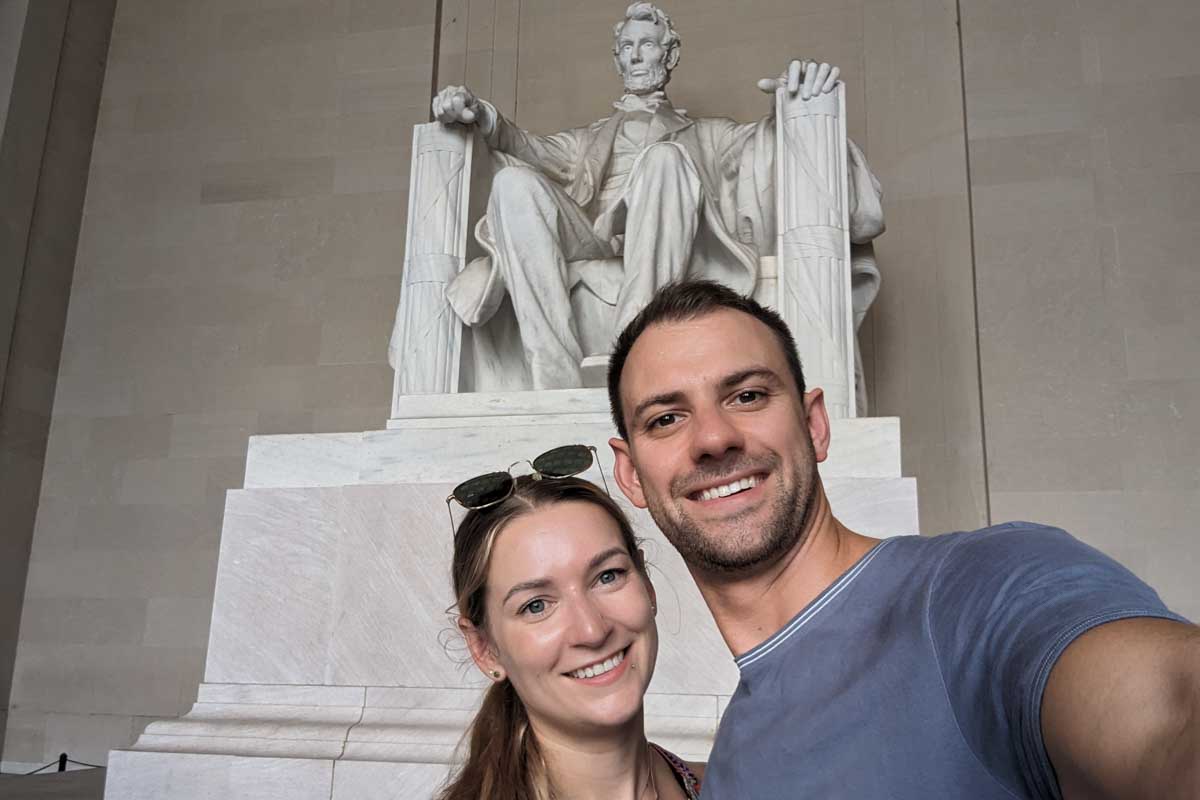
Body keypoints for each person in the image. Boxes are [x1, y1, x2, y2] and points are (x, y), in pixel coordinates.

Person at [605, 280, 1200, 799]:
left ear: (814, 426)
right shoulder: (732, 764)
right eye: (666, 418)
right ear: (632, 475)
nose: (713, 437)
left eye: (748, 396)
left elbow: (1167, 713)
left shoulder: (982, 586)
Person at [431, 2, 884, 390]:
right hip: (594, 236)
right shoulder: (586, 140)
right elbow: (528, 148)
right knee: (513, 183)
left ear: (670, 55)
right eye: (627, 48)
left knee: (664, 159)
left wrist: (791, 100)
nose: (636, 56)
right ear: (617, 60)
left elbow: (763, 144)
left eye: (647, 44)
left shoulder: (705, 135)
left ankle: (632, 351)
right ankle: (554, 373)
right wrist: (484, 117)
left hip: (668, 233)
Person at [439, 473, 702, 800]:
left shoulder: (736, 784)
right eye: (536, 606)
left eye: (608, 576)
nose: (592, 630)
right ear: (484, 649)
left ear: (646, 584)